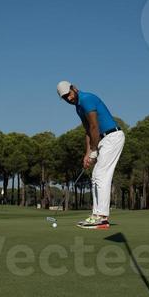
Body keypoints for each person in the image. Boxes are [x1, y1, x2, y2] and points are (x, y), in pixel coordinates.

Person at [56, 81, 125, 229]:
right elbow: (88, 131)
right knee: (95, 176)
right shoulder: (78, 108)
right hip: (103, 140)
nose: (68, 99)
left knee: (101, 174)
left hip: (112, 137)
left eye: (69, 94)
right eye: (64, 98)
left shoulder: (86, 99)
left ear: (74, 88)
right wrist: (87, 153)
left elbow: (95, 126)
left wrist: (93, 151)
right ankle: (95, 215)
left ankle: (102, 218)